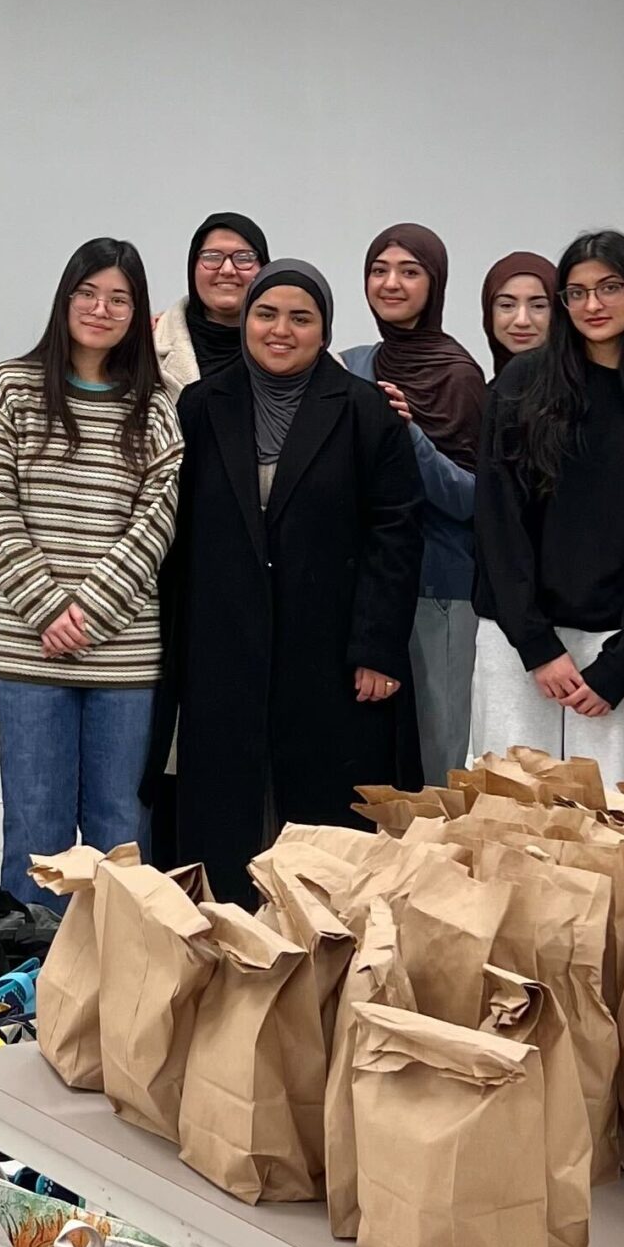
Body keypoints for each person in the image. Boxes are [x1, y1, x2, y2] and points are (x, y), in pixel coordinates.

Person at [153, 260, 420, 904]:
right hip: (223, 645)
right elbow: (176, 532)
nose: (281, 330)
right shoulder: (201, 405)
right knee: (224, 817)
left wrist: (378, 649)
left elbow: (397, 533)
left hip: (330, 648)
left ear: (324, 331)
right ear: (246, 320)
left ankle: (320, 956)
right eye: (267, 314)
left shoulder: (363, 410)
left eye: (301, 318)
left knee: (324, 819)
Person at [0, 240, 182, 904]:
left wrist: (86, 611)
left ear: (137, 312)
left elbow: (159, 520)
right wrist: (48, 610)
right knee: (37, 828)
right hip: (31, 654)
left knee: (122, 829)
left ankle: (120, 978)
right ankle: (29, 987)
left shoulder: (158, 404)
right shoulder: (12, 386)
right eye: (88, 293)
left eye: (119, 298)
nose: (101, 308)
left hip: (125, 658)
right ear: (65, 300)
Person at [472, 230, 624, 782]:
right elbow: (497, 522)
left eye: (609, 287)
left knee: (611, 817)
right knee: (509, 812)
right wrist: (535, 644)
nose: (592, 305)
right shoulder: (523, 383)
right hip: (519, 639)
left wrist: (623, 664)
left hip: (620, 643)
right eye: (576, 293)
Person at [340, 224, 486, 785]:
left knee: (435, 759)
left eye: (409, 271)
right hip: (365, 589)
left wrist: (410, 433)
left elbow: (472, 500)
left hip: (439, 589)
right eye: (379, 269)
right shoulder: (351, 365)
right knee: (369, 763)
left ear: (436, 282)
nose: (391, 283)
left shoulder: (458, 374)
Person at [155, 212, 268, 390]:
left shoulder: (290, 347)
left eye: (244, 258)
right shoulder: (149, 343)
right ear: (193, 265)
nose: (228, 269)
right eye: (212, 257)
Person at [481, 251, 558, 372]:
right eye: (507, 305)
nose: (522, 321)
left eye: (538, 306)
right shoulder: (486, 389)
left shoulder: (584, 386)